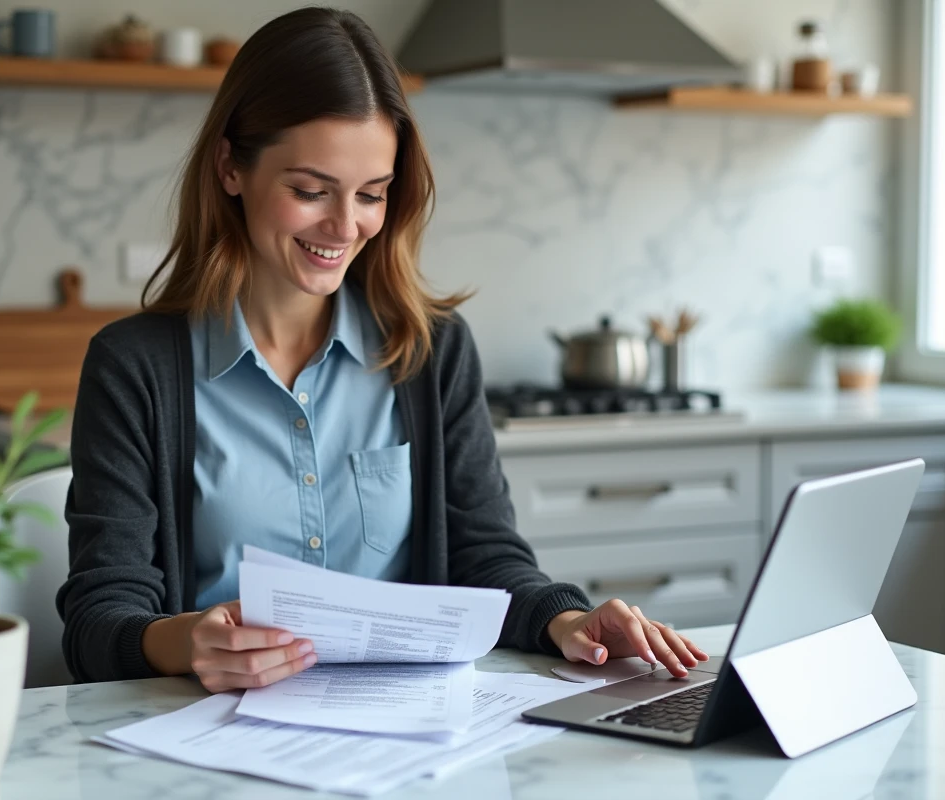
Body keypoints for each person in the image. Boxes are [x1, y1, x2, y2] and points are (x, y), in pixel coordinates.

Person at [57, 6, 708, 692]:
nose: (345, 225)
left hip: (404, 738)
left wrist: (567, 619)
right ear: (230, 167)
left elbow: (485, 559)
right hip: (208, 738)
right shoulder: (135, 368)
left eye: (372, 194)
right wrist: (185, 641)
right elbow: (99, 621)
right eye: (310, 191)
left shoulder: (432, 352)